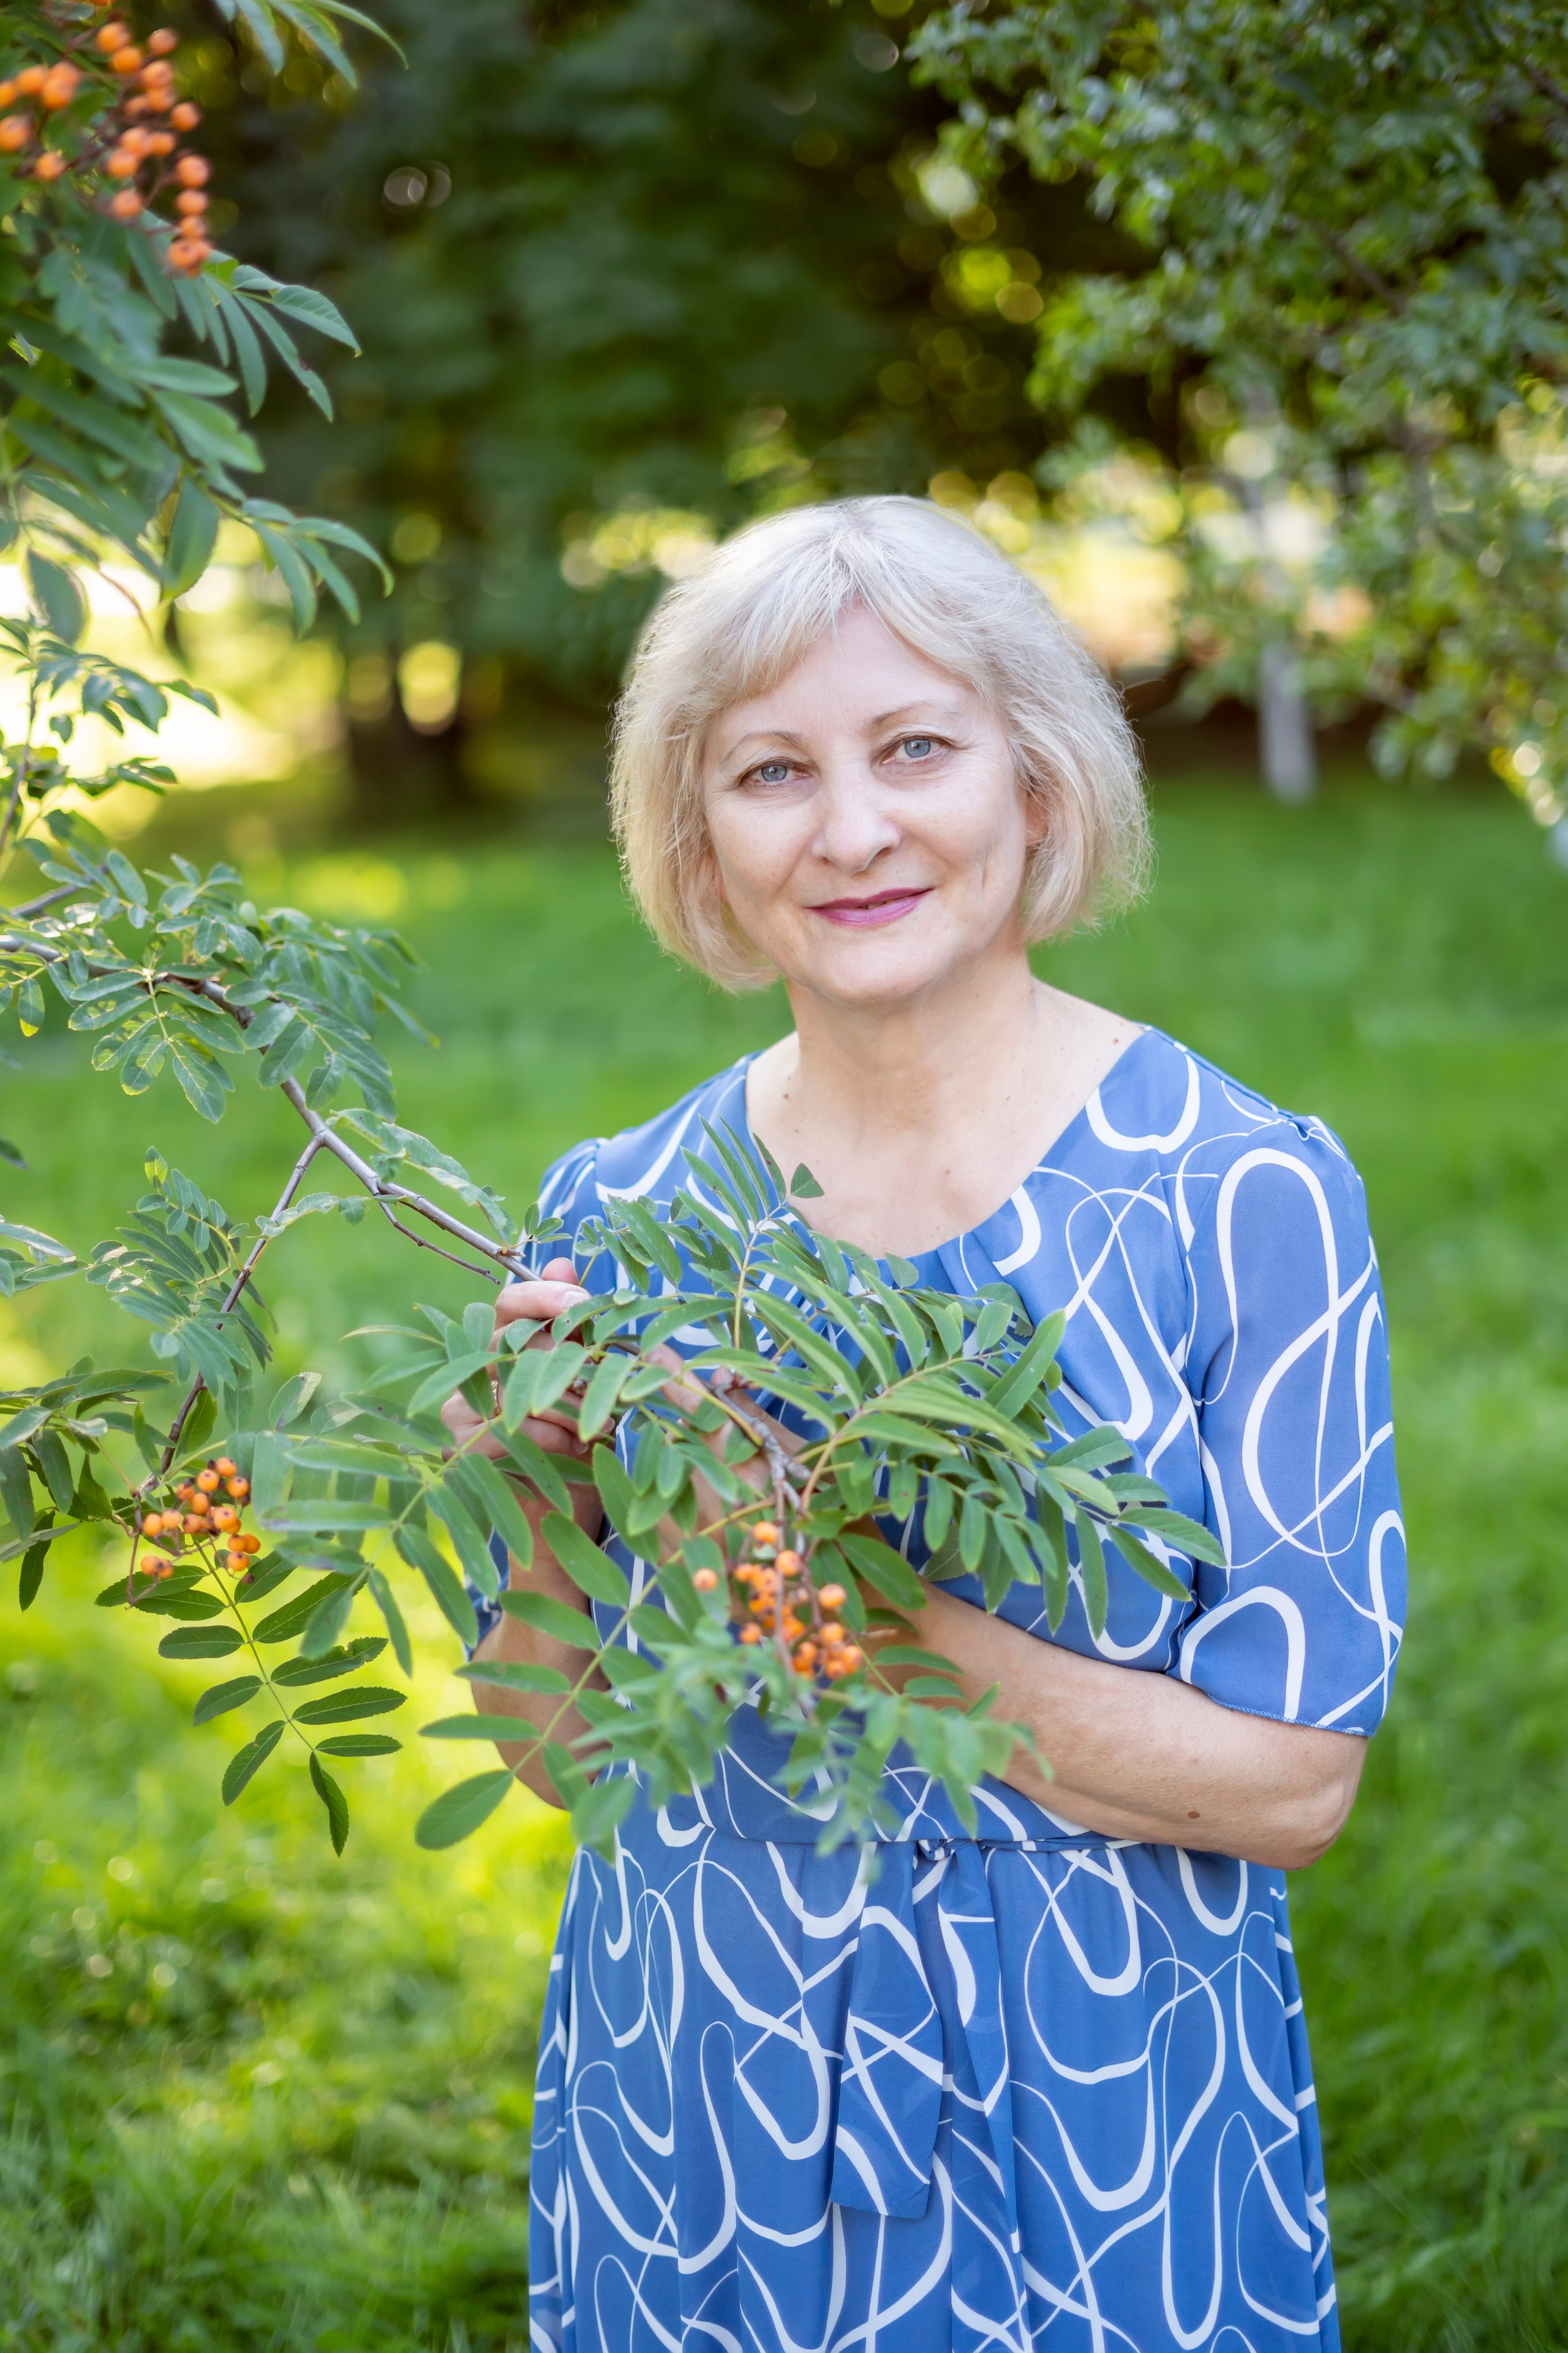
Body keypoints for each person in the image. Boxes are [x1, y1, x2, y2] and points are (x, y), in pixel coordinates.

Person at [441, 497, 1405, 2353]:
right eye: (771, 771)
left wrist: (834, 1595)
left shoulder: (1242, 1193)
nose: (853, 827)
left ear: (1035, 786)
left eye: (915, 747)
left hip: (1095, 2103)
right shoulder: (617, 1208)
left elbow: (1296, 1784)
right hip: (697, 2081)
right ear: (702, 849)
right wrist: (539, 1483)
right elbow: (554, 1747)